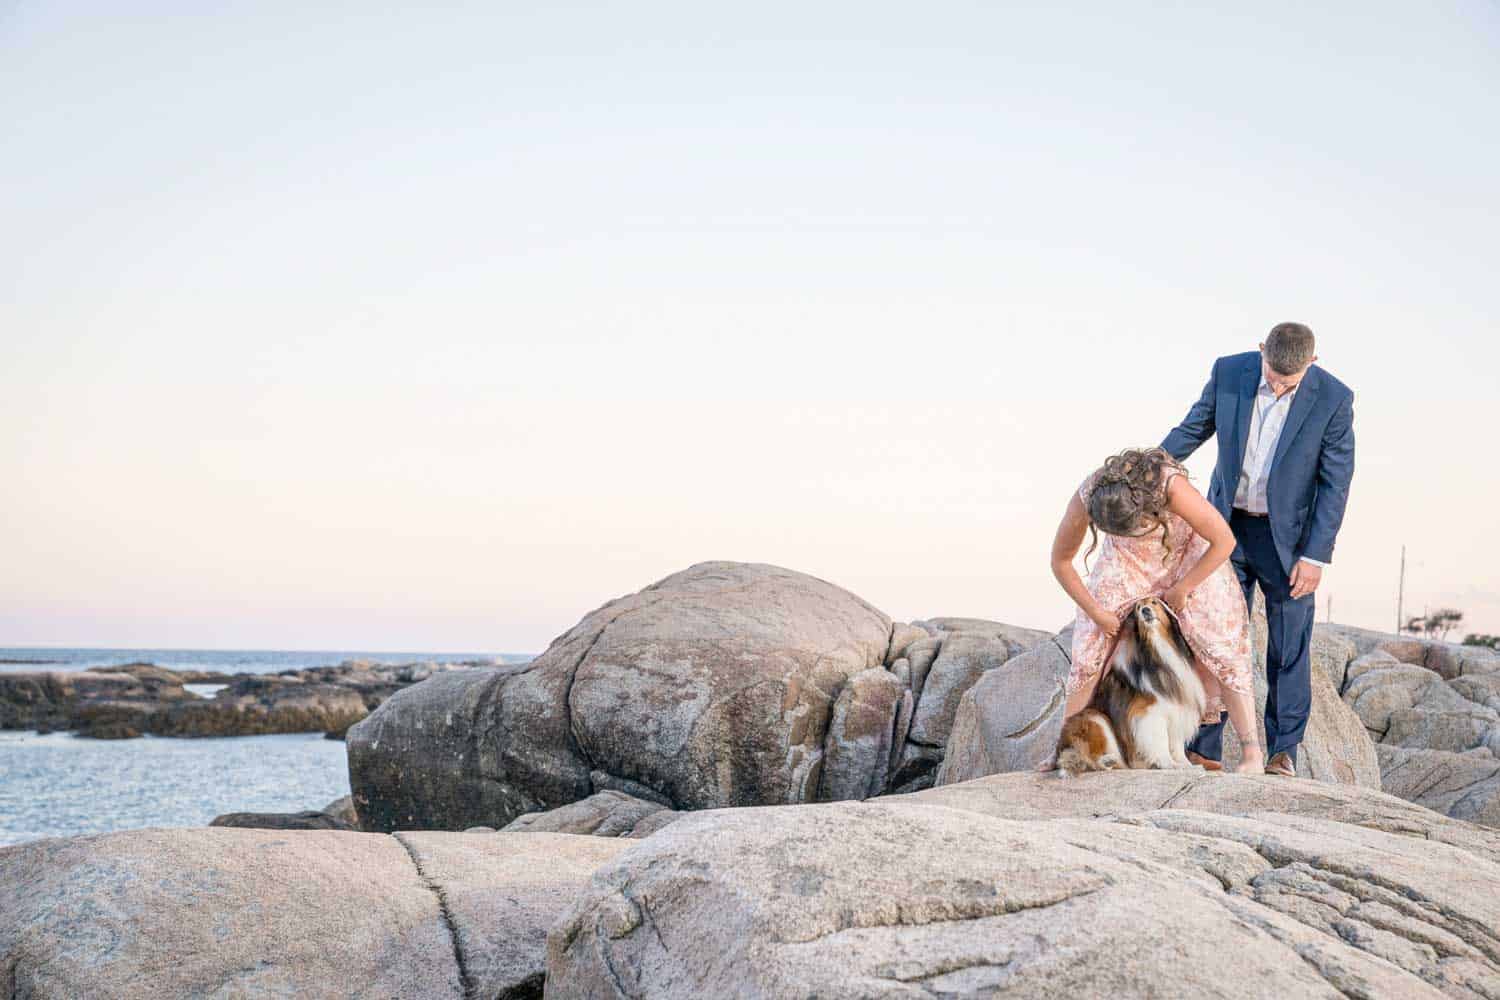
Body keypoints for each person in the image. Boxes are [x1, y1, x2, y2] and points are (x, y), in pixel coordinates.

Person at [1161, 322, 1355, 776]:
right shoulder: (1230, 372)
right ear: (1261, 349)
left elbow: (1335, 483)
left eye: (1287, 382)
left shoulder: (1334, 399)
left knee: (1289, 647)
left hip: (1289, 542)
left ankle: (1282, 752)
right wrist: (1149, 468)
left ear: (1312, 363)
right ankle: (1204, 748)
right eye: (1270, 374)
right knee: (1212, 635)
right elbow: (1192, 430)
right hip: (1224, 529)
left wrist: (1315, 556)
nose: (1276, 384)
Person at [1044, 447, 1264, 773]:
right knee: (1089, 647)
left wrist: (1184, 587)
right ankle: (1062, 747)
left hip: (1188, 554)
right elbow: (1061, 562)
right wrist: (1097, 613)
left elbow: (1224, 541)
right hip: (1126, 562)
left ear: (1147, 508)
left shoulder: (1170, 486)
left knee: (1223, 638)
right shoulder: (1090, 493)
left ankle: (1251, 753)